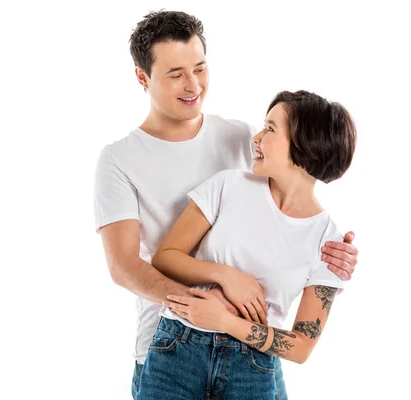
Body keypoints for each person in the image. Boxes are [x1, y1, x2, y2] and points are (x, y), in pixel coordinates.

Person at [93, 10, 359, 400]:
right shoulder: (118, 160)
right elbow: (124, 266)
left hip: (253, 353)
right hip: (168, 341)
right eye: (175, 73)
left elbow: (292, 201)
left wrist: (334, 257)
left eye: (200, 68)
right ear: (142, 77)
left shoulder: (239, 138)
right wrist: (215, 288)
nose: (193, 84)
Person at [136, 90, 356, 399]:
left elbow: (301, 346)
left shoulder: (329, 242)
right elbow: (165, 258)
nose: (256, 137)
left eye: (270, 129)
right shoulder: (229, 185)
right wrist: (225, 274)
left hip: (250, 369)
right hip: (178, 348)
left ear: (304, 144)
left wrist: (224, 321)